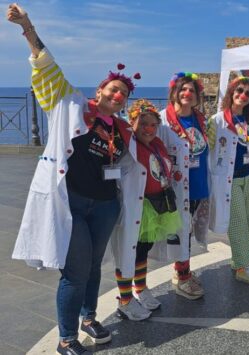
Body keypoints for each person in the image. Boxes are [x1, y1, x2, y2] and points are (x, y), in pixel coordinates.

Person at [7, 4, 139, 354]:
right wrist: (29, 28)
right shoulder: (72, 105)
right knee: (76, 270)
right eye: (113, 89)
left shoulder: (124, 129)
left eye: (123, 94)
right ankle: (66, 338)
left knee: (95, 264)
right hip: (72, 202)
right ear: (100, 91)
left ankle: (89, 316)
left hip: (106, 204)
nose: (117, 95)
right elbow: (48, 68)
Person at [114, 100, 182, 320]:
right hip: (138, 207)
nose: (148, 129)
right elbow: (115, 123)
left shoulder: (157, 143)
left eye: (153, 124)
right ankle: (124, 300)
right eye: (142, 123)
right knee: (127, 253)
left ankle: (140, 289)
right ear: (132, 122)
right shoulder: (129, 143)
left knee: (142, 251)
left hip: (157, 203)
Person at [208, 76, 249, 284]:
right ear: (231, 93)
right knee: (238, 221)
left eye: (248, 93)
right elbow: (208, 151)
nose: (243, 95)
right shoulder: (217, 121)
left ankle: (238, 260)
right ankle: (243, 267)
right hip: (229, 179)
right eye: (239, 91)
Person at [158, 72, 209, 300]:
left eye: (192, 90)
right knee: (181, 231)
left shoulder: (200, 118)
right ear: (175, 93)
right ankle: (182, 276)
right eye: (183, 89)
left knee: (187, 230)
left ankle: (184, 271)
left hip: (198, 182)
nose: (187, 94)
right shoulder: (163, 121)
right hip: (177, 186)